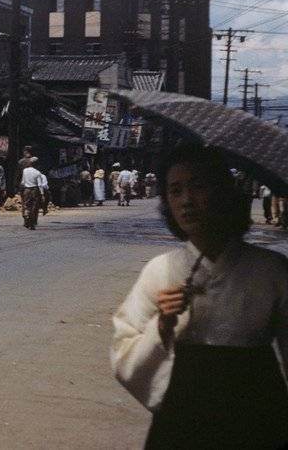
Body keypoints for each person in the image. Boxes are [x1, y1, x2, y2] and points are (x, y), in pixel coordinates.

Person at [110, 144, 288, 449]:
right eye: (175, 191)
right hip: (183, 416)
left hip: (260, 415)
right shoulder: (161, 270)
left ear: (223, 191)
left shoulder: (271, 271)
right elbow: (124, 352)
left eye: (198, 186)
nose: (186, 201)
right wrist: (162, 326)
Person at [20, 161, 47, 230]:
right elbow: (40, 185)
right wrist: (42, 194)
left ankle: (26, 218)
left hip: (26, 190)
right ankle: (31, 223)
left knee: (27, 206)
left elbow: (23, 182)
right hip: (35, 191)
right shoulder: (37, 173)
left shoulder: (25, 171)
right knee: (34, 207)